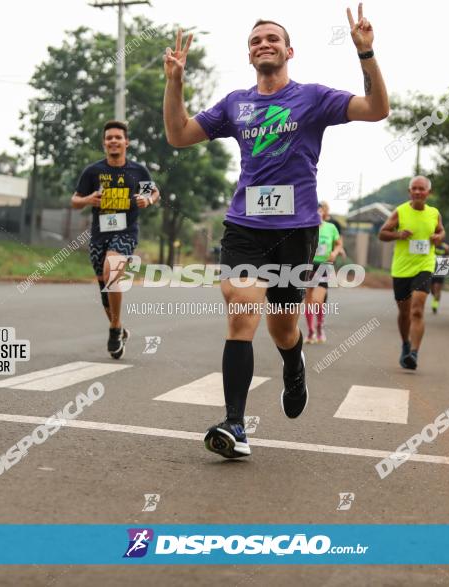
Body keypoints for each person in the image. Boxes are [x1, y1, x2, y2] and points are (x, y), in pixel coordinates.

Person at [163, 4, 389, 458]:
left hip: (297, 231)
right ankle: (235, 425)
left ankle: (293, 363)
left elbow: (377, 109)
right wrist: (175, 83)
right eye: (255, 41)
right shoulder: (235, 104)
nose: (263, 44)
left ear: (289, 50)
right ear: (249, 56)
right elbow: (179, 135)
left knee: (283, 327)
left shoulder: (313, 98)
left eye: (271, 38)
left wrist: (366, 54)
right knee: (242, 311)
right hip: (244, 225)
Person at [71, 120, 160, 360]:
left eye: (118, 137)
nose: (113, 141)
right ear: (104, 143)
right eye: (109, 137)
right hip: (100, 234)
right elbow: (75, 201)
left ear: (126, 143)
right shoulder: (93, 172)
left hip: (126, 232)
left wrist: (148, 201)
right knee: (104, 287)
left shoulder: (138, 171)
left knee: (112, 272)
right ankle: (119, 327)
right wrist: (89, 198)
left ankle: (113, 330)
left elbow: (154, 192)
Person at [378, 176, 445, 370]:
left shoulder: (434, 213)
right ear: (409, 192)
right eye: (414, 188)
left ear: (428, 193)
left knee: (417, 309)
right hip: (401, 269)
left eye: (421, 189)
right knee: (404, 312)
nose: (417, 192)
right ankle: (405, 345)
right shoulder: (400, 212)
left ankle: (414, 353)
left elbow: (441, 231)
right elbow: (382, 233)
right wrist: (399, 234)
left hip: (424, 266)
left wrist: (438, 237)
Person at [305, 201, 342, 343]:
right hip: (308, 265)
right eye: (314, 211)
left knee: (317, 301)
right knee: (308, 299)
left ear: (324, 213)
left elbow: (339, 244)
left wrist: (335, 252)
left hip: (325, 266)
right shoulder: (307, 228)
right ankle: (310, 331)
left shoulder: (331, 228)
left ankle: (319, 327)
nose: (317, 213)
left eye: (320, 211)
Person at [430, 241, 449, 314]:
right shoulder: (431, 244)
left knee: (437, 288)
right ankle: (435, 299)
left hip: (441, 269)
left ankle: (435, 305)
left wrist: (447, 251)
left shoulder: (445, 247)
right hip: (431, 268)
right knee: (432, 289)